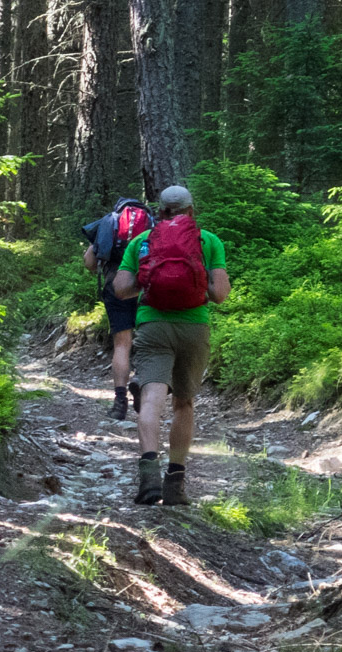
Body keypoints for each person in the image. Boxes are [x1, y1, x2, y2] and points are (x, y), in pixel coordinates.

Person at [111, 185, 231, 506]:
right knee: (184, 404)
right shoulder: (209, 241)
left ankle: (149, 474)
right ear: (192, 211)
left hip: (154, 326)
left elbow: (120, 288)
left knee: (151, 399)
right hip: (194, 328)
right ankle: (175, 484)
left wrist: (148, 280)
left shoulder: (141, 241)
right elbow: (220, 294)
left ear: (160, 211)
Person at [81, 196, 151, 422]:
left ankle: (120, 403)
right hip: (147, 288)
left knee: (122, 344)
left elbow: (90, 262)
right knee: (148, 340)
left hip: (115, 285)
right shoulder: (154, 223)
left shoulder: (109, 221)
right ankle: (141, 381)